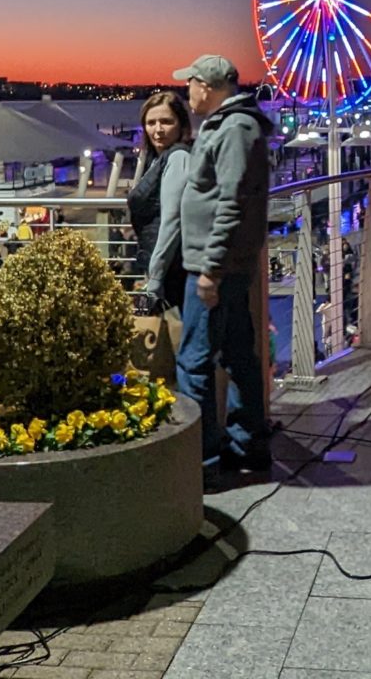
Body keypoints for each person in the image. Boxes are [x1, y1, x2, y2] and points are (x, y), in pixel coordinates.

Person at [172, 54, 274, 487]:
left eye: (189, 84)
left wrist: (210, 270)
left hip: (213, 270)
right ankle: (244, 447)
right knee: (237, 356)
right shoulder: (232, 126)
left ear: (207, 86)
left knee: (193, 363)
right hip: (224, 266)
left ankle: (200, 460)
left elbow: (232, 203)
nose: (185, 92)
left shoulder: (234, 130)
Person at [125, 90, 193, 311]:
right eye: (151, 122)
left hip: (174, 270)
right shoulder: (157, 160)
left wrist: (155, 277)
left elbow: (172, 220)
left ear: (182, 126)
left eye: (166, 122)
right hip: (167, 267)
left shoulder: (178, 157)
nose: (158, 130)